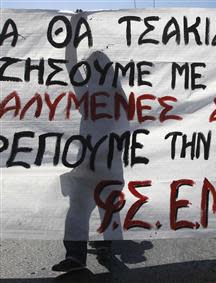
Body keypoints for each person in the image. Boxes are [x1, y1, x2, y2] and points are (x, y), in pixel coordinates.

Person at [52, 11, 129, 272]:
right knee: (81, 209)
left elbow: (71, 63)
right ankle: (80, 255)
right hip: (94, 164)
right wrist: (73, 27)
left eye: (95, 63)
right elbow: (71, 63)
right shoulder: (93, 94)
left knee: (91, 209)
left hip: (103, 164)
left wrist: (74, 28)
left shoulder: (109, 96)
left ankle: (95, 252)